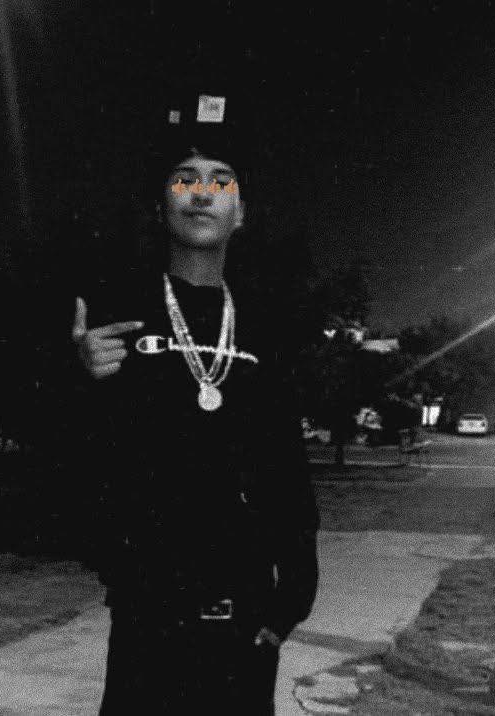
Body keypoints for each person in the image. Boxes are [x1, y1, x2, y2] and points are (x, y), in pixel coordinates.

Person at [70, 92, 319, 715]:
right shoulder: (118, 313)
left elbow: (285, 468)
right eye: (184, 179)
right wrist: (79, 377)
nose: (202, 194)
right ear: (161, 206)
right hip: (148, 609)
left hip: (246, 611)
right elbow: (81, 460)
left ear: (241, 213)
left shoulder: (266, 327)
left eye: (220, 181)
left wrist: (293, 594)